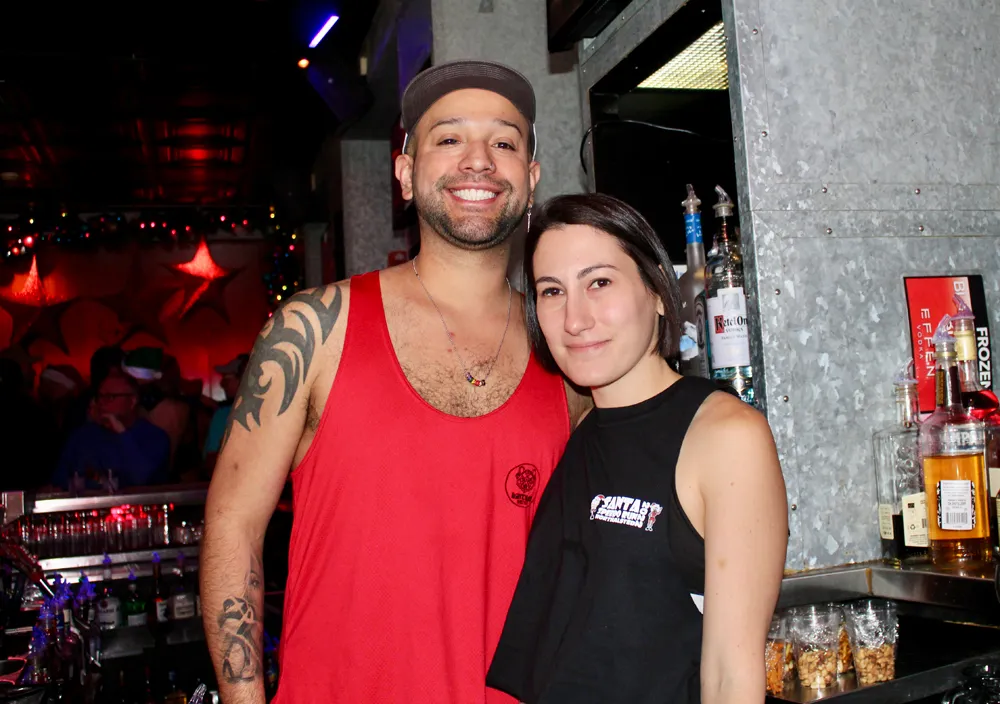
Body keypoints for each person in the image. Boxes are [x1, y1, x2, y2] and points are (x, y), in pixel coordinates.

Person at [200, 60, 590, 704]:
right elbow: (233, 523)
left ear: (531, 178)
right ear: (405, 173)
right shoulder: (316, 327)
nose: (479, 160)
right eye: (449, 138)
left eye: (503, 142)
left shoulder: (568, 357)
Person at [486, 194, 788, 703]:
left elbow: (730, 677)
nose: (575, 319)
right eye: (552, 291)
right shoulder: (578, 429)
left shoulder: (725, 435)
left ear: (657, 291)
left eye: (599, 283)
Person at [53, 369, 171, 490]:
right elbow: (58, 482)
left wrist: (120, 431)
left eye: (110, 397)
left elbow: (140, 479)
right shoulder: (82, 436)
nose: (101, 403)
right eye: (100, 396)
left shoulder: (154, 437)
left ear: (132, 401)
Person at [202, 354, 249, 471]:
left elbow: (211, 464)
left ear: (241, 380)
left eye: (227, 379)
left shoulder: (223, 415)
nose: (222, 385)